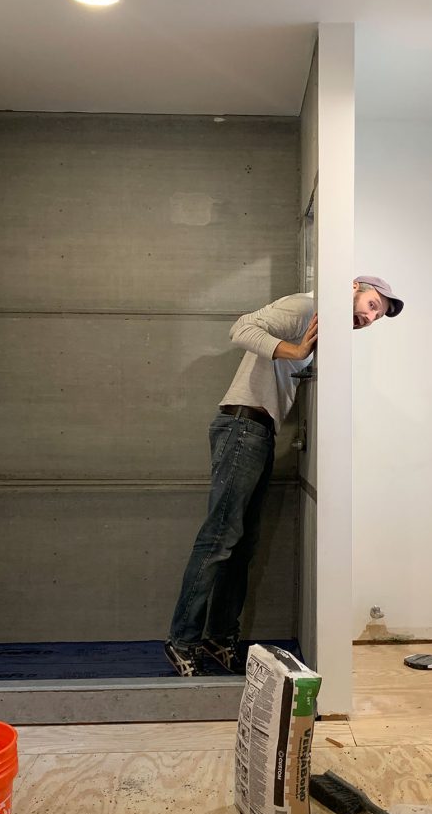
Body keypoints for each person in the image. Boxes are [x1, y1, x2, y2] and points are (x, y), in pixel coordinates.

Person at [164, 275, 404, 676]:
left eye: (377, 316)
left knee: (240, 546)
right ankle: (181, 640)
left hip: (257, 431)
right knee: (219, 540)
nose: (371, 317)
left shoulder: (323, 324)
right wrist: (293, 349)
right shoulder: (308, 306)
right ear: (356, 286)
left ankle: (218, 637)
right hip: (241, 426)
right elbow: (240, 327)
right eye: (374, 305)